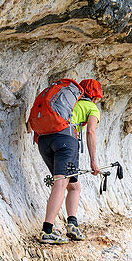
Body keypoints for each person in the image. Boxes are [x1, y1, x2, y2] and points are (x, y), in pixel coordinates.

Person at [36, 78, 103, 244]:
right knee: (61, 184)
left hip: (44, 141)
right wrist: (93, 161)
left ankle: (72, 225)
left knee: (73, 186)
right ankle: (47, 231)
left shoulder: (67, 102)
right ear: (95, 97)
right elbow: (91, 132)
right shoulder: (91, 107)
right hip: (66, 141)